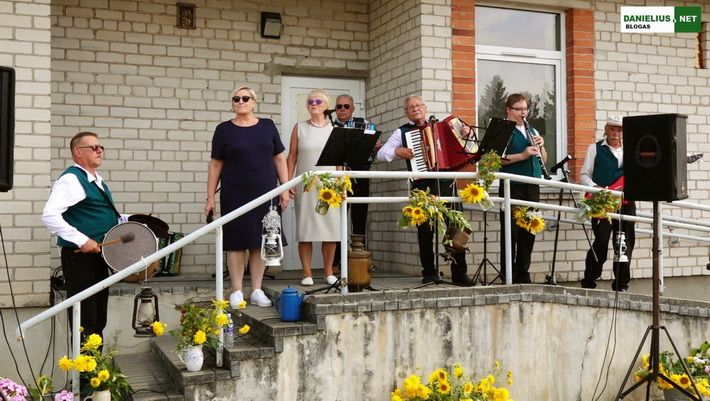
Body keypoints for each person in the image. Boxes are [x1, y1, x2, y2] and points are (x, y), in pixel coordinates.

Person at [205, 86, 290, 308]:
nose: (240, 101)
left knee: (260, 241)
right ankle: (236, 291)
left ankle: (257, 290)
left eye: (245, 98)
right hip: (235, 192)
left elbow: (279, 159)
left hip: (266, 192)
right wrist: (210, 198)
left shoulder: (267, 126)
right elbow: (216, 164)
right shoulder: (223, 130)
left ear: (254, 102)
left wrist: (285, 187)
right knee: (236, 242)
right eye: (236, 98)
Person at [376, 95, 473, 286]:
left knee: (456, 228)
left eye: (418, 105)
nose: (415, 109)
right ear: (406, 112)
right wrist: (397, 152)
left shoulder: (442, 126)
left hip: (446, 183)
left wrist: (467, 131)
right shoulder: (402, 132)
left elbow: (466, 143)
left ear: (425, 107)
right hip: (422, 186)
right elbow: (381, 154)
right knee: (426, 231)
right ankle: (429, 272)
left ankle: (459, 274)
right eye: (410, 107)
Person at [42, 132, 127, 339]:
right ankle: (85, 370)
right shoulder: (71, 179)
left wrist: (131, 219)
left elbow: (99, 213)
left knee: (98, 317)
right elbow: (49, 215)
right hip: (80, 256)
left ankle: (96, 369)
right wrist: (82, 239)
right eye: (93, 147)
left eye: (101, 147)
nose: (99, 151)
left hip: (98, 255)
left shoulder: (97, 180)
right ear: (78, 153)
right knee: (86, 318)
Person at [286, 89, 341, 286]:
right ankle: (307, 273)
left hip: (330, 186)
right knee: (305, 230)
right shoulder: (299, 128)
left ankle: (328, 272)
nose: (314, 104)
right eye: (310, 101)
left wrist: (341, 184)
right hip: (306, 185)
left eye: (318, 101)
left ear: (326, 105)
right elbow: (292, 156)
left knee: (330, 230)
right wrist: (287, 182)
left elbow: (339, 159)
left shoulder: (334, 128)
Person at [580, 115, 635, 291]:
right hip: (602, 202)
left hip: (626, 204)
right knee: (601, 242)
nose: (615, 133)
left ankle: (621, 285)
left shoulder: (632, 151)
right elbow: (584, 175)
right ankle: (589, 282)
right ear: (606, 129)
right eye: (612, 129)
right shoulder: (594, 149)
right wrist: (596, 188)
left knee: (625, 245)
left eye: (619, 130)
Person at [498, 93, 547, 284]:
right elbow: (497, 159)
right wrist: (523, 155)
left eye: (525, 109)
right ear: (509, 110)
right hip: (512, 185)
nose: (523, 113)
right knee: (511, 232)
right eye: (519, 109)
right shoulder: (503, 129)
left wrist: (541, 147)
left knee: (529, 229)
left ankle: (523, 272)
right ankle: (507, 273)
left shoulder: (532, 129)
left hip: (532, 184)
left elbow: (543, 160)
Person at [331, 94, 380, 266]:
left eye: (346, 106)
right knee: (336, 219)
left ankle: (359, 261)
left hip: (359, 175)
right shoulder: (328, 125)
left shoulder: (364, 124)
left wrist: (375, 146)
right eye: (339, 106)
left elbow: (373, 152)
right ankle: (336, 262)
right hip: (336, 178)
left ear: (352, 108)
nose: (342, 109)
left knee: (359, 216)